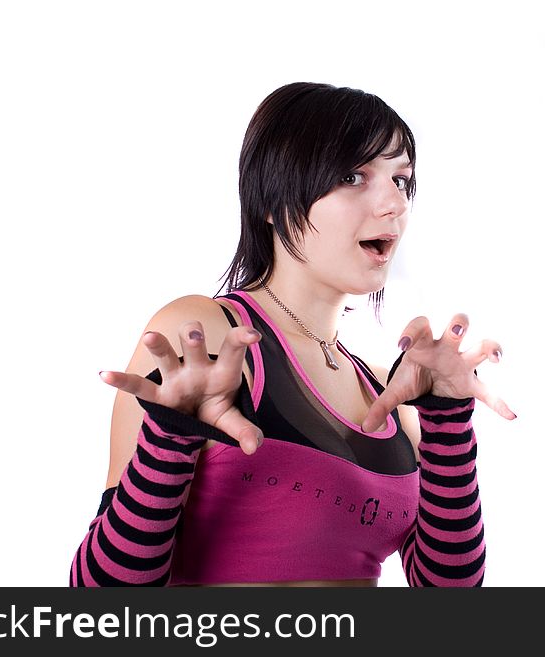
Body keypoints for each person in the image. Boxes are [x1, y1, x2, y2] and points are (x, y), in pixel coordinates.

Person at [69, 82, 516, 587]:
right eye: (354, 175)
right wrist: (169, 437)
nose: (394, 204)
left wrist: (448, 420)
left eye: (402, 180)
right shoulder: (208, 337)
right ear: (272, 198)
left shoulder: (387, 395)